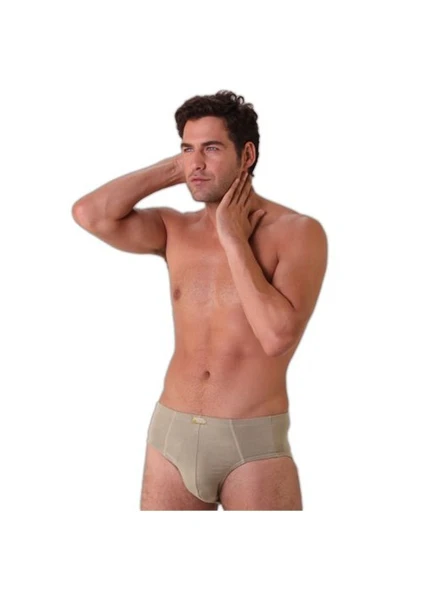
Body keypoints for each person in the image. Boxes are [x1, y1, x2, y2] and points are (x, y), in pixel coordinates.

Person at [72, 90, 328, 510]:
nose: (196, 162)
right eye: (187, 149)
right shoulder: (174, 229)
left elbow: (276, 337)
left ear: (247, 155)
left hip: (251, 443)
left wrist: (233, 239)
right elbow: (89, 213)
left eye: (212, 148)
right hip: (170, 436)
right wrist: (182, 166)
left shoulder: (297, 232)